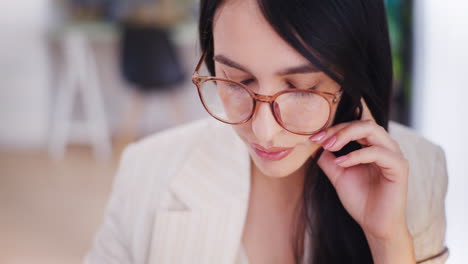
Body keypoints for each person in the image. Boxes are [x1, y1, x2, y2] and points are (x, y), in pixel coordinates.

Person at [84, 0, 449, 263]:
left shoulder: (419, 170)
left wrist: (387, 241)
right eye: (236, 80)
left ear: (350, 78)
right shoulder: (146, 170)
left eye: (302, 89)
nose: (263, 130)